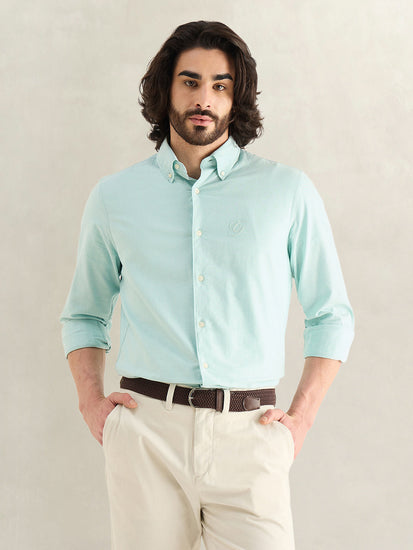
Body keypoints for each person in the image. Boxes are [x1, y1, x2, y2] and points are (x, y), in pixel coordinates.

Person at [59, 20, 355, 550]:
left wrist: (301, 421)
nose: (204, 99)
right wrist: (90, 403)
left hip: (252, 439)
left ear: (236, 97)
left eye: (220, 85)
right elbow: (85, 312)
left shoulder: (287, 192)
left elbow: (330, 314)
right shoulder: (115, 197)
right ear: (166, 88)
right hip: (146, 435)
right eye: (190, 81)